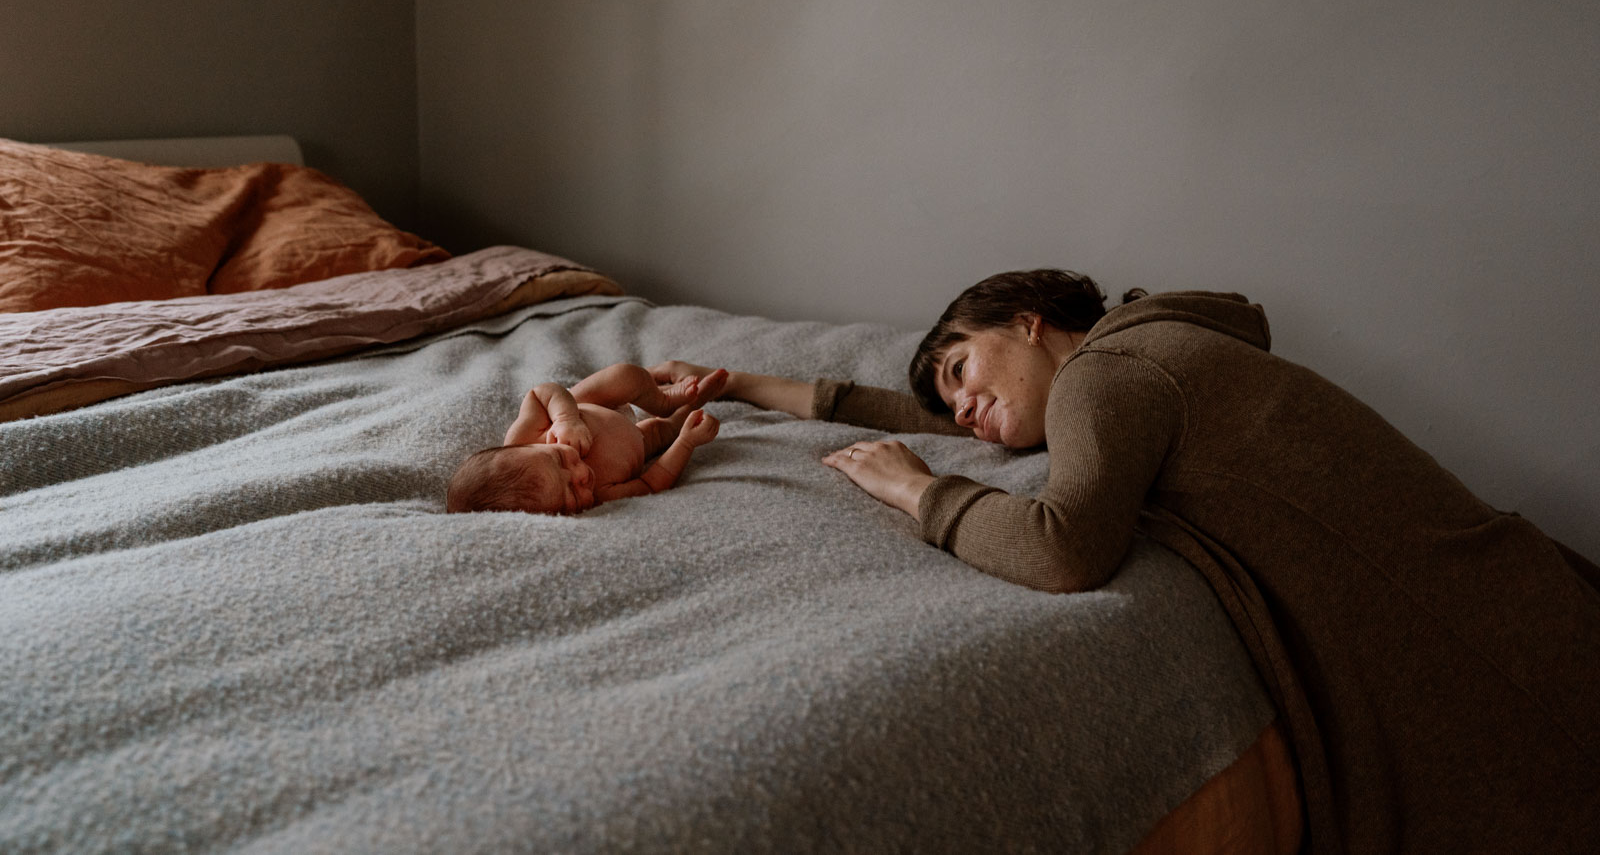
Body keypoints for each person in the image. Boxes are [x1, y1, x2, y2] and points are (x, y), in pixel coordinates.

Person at [652, 269, 1600, 855]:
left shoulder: (1110, 373)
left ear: (1027, 321)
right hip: (1514, 599)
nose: (960, 411)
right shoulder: (1138, 360)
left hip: (1499, 650)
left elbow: (1063, 548)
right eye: (949, 402)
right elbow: (934, 414)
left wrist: (916, 490)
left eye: (959, 369)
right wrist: (740, 384)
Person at [448, 363, 726, 516]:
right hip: (640, 439)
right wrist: (686, 443)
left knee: (623, 377)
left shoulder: (521, 437)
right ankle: (694, 403)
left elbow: (541, 393)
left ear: (522, 448)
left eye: (557, 457)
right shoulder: (600, 497)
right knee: (668, 431)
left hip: (588, 407)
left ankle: (663, 399)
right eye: (571, 491)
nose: (581, 471)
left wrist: (565, 419)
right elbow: (651, 483)